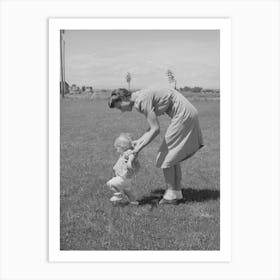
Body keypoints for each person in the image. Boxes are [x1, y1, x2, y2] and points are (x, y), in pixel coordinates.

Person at [108, 86, 204, 205]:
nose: (121, 111)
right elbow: (151, 127)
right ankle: (176, 193)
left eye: (120, 107)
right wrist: (139, 141)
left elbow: (155, 129)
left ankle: (170, 195)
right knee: (172, 157)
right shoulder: (140, 97)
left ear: (124, 98)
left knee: (165, 156)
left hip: (182, 115)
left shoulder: (141, 101)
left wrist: (137, 150)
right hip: (187, 114)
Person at [106, 133, 140, 205]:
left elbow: (132, 154)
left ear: (122, 147)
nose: (116, 150)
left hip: (123, 178)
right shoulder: (124, 153)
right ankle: (133, 201)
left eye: (117, 148)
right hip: (127, 179)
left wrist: (130, 162)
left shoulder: (127, 153)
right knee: (128, 191)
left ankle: (118, 194)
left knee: (110, 184)